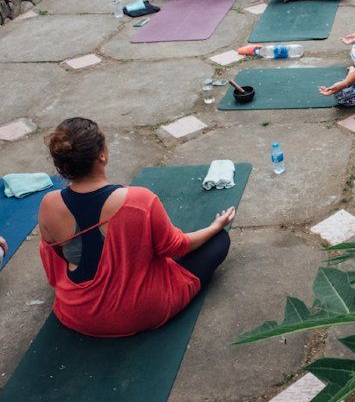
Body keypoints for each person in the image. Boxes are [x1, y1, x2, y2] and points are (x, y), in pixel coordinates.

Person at [37, 118, 235, 337]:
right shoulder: (139, 201)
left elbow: (55, 257)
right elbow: (178, 247)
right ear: (102, 155)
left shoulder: (49, 204)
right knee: (219, 241)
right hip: (140, 312)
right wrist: (216, 227)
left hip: (77, 314)